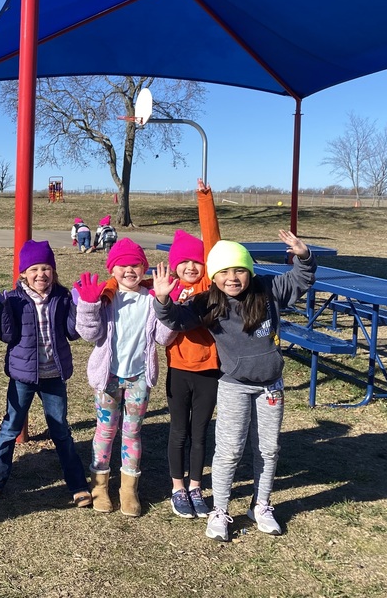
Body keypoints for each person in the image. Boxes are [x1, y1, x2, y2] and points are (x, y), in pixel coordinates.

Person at [151, 231, 316, 542]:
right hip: (233, 386)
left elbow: (301, 279)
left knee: (268, 449)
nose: (232, 278)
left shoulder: (267, 288)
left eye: (239, 269)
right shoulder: (207, 302)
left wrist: (304, 256)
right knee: (228, 451)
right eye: (223, 272)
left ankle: (261, 505)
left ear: (249, 271)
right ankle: (220, 510)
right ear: (213, 276)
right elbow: (175, 319)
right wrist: (162, 299)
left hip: (271, 387)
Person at [0, 239, 91, 506]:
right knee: (10, 427)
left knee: (60, 429)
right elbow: (6, 335)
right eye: (34, 269)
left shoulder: (62, 297)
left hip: (53, 375)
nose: (40, 274)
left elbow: (72, 332)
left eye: (46, 268)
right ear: (23, 274)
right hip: (23, 376)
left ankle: (77, 483)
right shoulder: (14, 298)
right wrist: (1, 308)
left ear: (53, 270)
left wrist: (78, 304)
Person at [74, 239, 175, 516]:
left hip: (138, 378)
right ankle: (99, 486)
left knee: (132, 432)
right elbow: (90, 334)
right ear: (112, 268)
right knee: (105, 431)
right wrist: (88, 306)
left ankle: (129, 489)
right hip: (108, 377)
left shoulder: (152, 298)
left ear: (144, 268)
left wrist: (166, 302)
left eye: (135, 265)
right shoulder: (106, 296)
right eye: (122, 265)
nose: (129, 270)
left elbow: (164, 337)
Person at [162, 178, 222, 519]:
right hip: (179, 370)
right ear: (174, 266)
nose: (190, 267)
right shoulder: (167, 289)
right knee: (178, 431)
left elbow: (212, 241)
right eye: (183, 262)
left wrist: (204, 200)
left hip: (210, 371)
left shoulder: (209, 285)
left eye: (195, 262)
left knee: (200, 432)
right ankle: (177, 487)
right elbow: (125, 275)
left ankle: (197, 485)